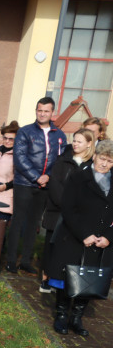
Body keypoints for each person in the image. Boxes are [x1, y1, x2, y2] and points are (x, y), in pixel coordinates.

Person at [47, 138, 113, 337]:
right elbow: (68, 209)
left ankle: (76, 317)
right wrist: (84, 234)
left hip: (100, 241)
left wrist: (108, 237)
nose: (105, 164)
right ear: (94, 157)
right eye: (102, 158)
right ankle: (61, 315)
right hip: (75, 236)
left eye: (110, 161)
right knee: (67, 277)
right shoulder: (78, 177)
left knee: (89, 280)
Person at [9, 97, 67, 275]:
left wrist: (48, 176)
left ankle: (25, 260)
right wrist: (36, 177)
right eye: (39, 110)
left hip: (45, 186)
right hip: (24, 183)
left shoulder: (59, 135)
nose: (42, 114)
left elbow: (61, 160)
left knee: (34, 224)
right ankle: (11, 261)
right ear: (36, 111)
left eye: (46, 111)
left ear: (52, 113)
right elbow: (19, 158)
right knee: (18, 221)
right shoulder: (25, 132)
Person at [39, 128, 95, 292]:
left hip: (78, 217)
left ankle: (62, 281)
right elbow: (55, 185)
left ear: (89, 144)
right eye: (74, 140)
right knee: (51, 247)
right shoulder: (63, 161)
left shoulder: (91, 165)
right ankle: (46, 279)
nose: (75, 144)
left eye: (79, 141)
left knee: (69, 251)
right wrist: (67, 205)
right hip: (57, 212)